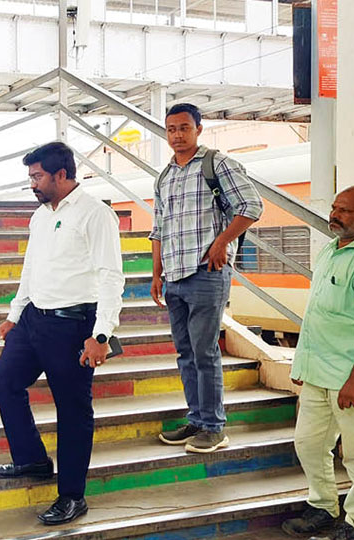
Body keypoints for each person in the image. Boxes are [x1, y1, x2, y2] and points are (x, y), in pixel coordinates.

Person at [0, 142, 124, 525]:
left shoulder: (95, 214)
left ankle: (72, 496)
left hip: (74, 325)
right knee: (4, 380)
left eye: (37, 177)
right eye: (31, 176)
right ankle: (32, 458)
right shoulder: (40, 216)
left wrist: (100, 335)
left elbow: (110, 277)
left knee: (72, 410)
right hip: (34, 320)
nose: (32, 183)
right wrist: (15, 314)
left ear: (61, 175)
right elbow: (30, 268)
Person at [281, 186, 354, 540]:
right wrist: (303, 365)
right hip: (318, 372)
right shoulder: (331, 251)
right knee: (309, 444)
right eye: (335, 208)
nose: (335, 215)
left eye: (345, 211)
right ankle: (323, 508)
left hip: (351, 376)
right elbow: (320, 315)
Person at [150, 103, 263, 453]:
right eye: (171, 129)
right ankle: (196, 420)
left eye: (184, 128)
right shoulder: (165, 176)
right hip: (174, 276)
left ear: (199, 129)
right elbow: (159, 227)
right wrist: (156, 273)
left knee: (204, 351)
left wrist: (222, 243)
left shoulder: (218, 164)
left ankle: (214, 427)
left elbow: (251, 206)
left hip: (206, 272)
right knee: (185, 352)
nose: (177, 135)